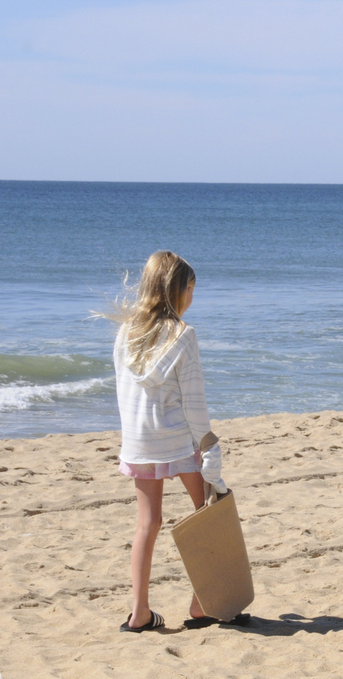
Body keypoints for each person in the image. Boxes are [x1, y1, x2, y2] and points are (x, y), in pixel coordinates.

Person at [104, 251, 228, 633]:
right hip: (178, 440)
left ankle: (139, 612)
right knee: (206, 517)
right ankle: (201, 603)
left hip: (140, 441)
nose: (193, 296)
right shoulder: (183, 335)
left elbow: (124, 392)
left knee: (148, 523)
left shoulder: (127, 332)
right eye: (191, 288)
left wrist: (134, 438)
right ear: (178, 290)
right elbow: (193, 400)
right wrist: (208, 444)